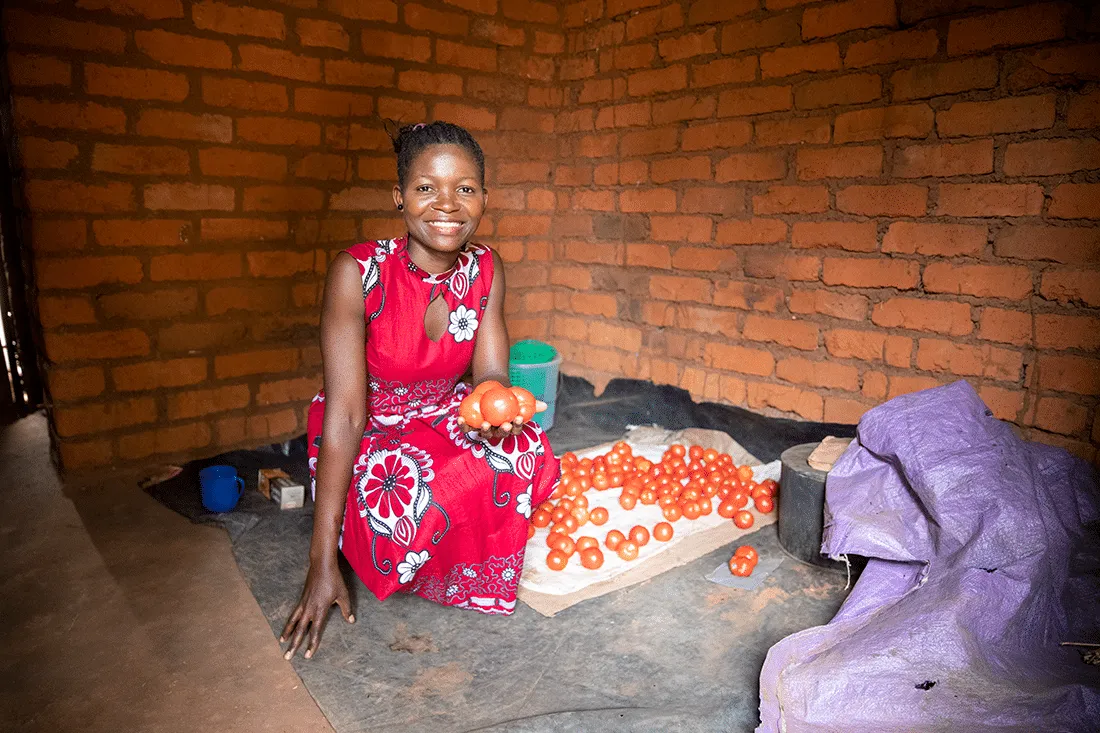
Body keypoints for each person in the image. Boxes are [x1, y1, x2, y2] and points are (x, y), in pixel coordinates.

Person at [280, 121, 561, 660]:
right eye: (426, 188)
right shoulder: (357, 272)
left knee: (526, 451)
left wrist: (496, 407)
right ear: (400, 197)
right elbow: (344, 414)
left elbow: (490, 377)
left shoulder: (486, 268)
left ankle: (448, 554)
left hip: (439, 410)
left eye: (466, 188)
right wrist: (321, 563)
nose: (447, 204)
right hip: (367, 420)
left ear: (484, 197)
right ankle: (362, 545)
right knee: (409, 495)